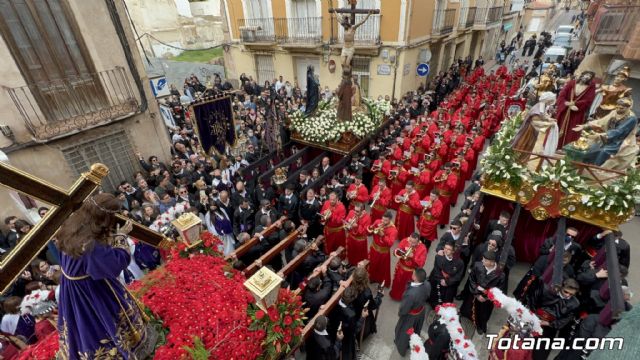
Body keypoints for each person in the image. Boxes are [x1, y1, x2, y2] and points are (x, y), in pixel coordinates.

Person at [55, 193, 149, 359]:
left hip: (71, 287)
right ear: (106, 217)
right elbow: (114, 264)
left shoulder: (71, 224)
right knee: (100, 323)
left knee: (78, 324)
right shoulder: (89, 244)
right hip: (91, 290)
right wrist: (121, 237)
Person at [572, 97, 638, 170]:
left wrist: (602, 135)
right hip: (607, 139)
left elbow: (619, 131)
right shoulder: (614, 112)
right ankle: (583, 167)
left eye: (622, 107)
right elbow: (601, 121)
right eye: (618, 105)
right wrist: (585, 126)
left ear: (628, 107)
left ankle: (595, 170)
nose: (619, 108)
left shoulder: (631, 118)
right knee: (591, 148)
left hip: (620, 142)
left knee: (604, 151)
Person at [531, 279, 580, 360]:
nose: (568, 295)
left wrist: (549, 323)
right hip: (533, 320)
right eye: (566, 292)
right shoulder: (548, 291)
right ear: (561, 287)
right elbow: (533, 302)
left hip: (550, 329)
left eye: (571, 294)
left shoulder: (574, 303)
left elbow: (565, 320)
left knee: (539, 355)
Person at [460, 251, 505, 335]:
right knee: (467, 307)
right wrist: (476, 294)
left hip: (486, 298)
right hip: (475, 292)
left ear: (492, 262)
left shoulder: (501, 275)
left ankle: (480, 326)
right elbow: (472, 279)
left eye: (485, 260)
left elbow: (499, 290)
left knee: (483, 313)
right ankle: (465, 317)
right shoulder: (478, 265)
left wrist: (487, 298)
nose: (482, 261)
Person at [511, 92, 559, 163]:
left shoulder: (543, 106)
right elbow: (535, 121)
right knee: (524, 144)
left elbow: (543, 115)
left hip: (533, 131)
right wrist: (548, 124)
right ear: (547, 99)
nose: (551, 102)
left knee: (529, 146)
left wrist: (549, 119)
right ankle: (516, 161)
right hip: (529, 130)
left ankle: (522, 161)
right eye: (550, 101)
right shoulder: (539, 106)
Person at [393, 268, 430, 356]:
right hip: (420, 311)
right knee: (416, 330)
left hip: (410, 316)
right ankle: (412, 342)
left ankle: (402, 347)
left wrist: (400, 313)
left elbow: (404, 308)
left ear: (415, 278)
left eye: (413, 274)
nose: (412, 275)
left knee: (403, 332)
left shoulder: (411, 294)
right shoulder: (427, 284)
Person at [556, 71, 597, 147]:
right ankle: (555, 145)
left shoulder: (590, 87)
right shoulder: (572, 83)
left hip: (577, 113)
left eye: (589, 76)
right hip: (565, 110)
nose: (587, 77)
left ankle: (566, 147)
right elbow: (562, 94)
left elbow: (588, 100)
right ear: (582, 75)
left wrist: (576, 104)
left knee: (572, 130)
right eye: (586, 74)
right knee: (559, 126)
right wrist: (565, 103)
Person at [390, 233, 427, 301]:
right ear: (409, 237)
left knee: (406, 286)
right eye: (410, 241)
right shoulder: (405, 241)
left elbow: (421, 263)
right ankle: (394, 295)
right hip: (400, 267)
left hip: (410, 272)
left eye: (413, 243)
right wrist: (399, 252)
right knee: (397, 282)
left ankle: (404, 298)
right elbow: (397, 249)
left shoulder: (423, 248)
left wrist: (413, 257)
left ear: (418, 241)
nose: (411, 244)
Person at [428, 242, 464, 308]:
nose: (446, 250)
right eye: (445, 248)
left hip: (449, 282)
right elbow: (436, 270)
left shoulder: (460, 263)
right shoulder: (438, 257)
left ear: (453, 251)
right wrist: (441, 279)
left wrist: (447, 282)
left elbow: (458, 276)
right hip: (438, 279)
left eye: (449, 249)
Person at [368, 211, 398, 287]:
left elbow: (390, 243)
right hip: (374, 248)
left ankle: (381, 281)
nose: (383, 222)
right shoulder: (378, 221)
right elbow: (370, 230)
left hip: (383, 253)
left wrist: (383, 236)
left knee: (382, 268)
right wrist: (371, 227)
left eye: (386, 220)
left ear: (390, 220)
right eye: (383, 219)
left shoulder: (393, 230)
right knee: (372, 264)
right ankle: (372, 278)